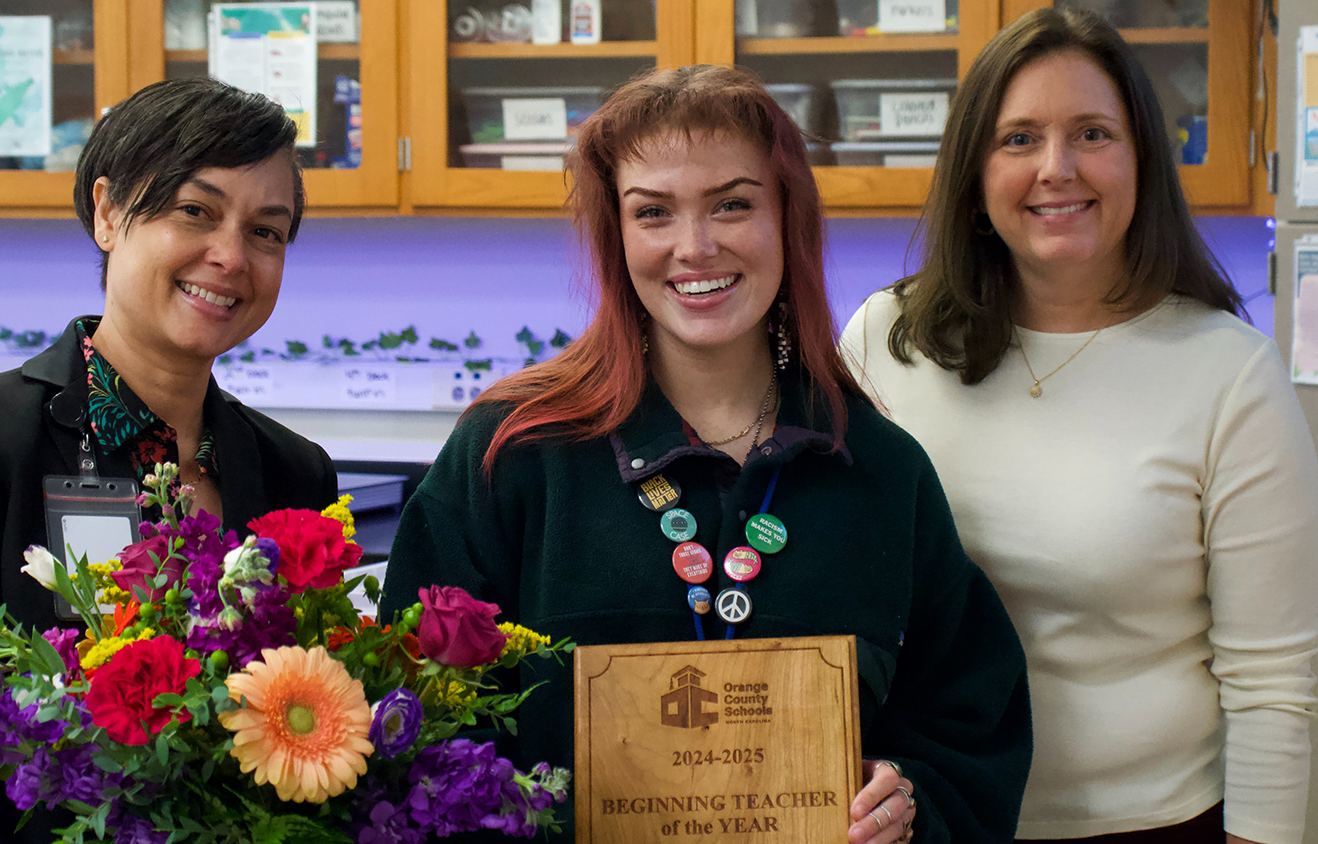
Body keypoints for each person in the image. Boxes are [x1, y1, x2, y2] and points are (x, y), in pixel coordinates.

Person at [384, 65, 1032, 844]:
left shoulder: (882, 472)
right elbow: (411, 725)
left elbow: (969, 726)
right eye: (653, 212)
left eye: (733, 204)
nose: (694, 247)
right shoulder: (512, 455)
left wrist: (909, 799)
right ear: (615, 234)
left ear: (786, 218)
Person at [842, 9, 1318, 844]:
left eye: (1092, 132)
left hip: (1151, 823)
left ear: (1140, 159)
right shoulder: (887, 340)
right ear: (974, 172)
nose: (1056, 169)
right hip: (926, 819)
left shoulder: (1227, 370)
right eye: (1018, 138)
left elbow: (1270, 683)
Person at [0, 77, 339, 841]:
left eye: (266, 232)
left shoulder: (294, 474)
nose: (230, 256)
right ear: (109, 211)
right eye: (196, 211)